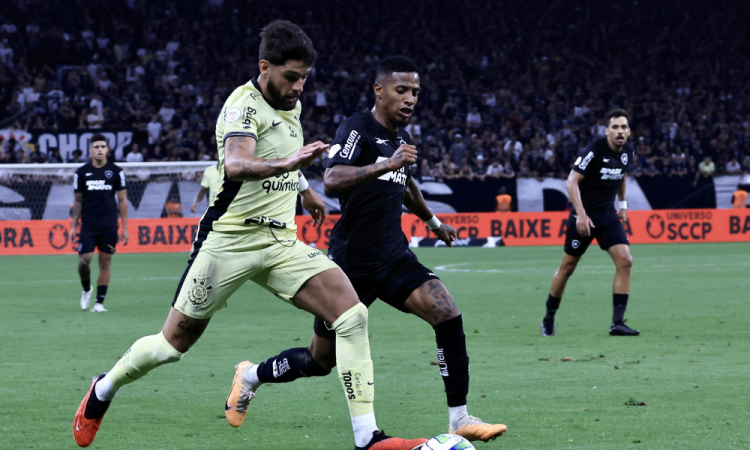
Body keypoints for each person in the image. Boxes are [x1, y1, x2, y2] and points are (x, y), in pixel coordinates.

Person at [72, 21, 425, 450]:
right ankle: (103, 389)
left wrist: (306, 189)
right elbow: (238, 165)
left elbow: (278, 156)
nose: (298, 87)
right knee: (172, 345)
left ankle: (367, 437)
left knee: (352, 315)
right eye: (291, 77)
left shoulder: (290, 105)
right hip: (229, 240)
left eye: (304, 79)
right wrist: (290, 164)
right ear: (264, 67)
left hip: (280, 242)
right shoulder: (242, 107)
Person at [244, 56, 507, 444]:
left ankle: (460, 417)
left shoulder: (399, 140)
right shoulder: (358, 128)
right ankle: (251, 375)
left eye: (415, 92)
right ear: (379, 90)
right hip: (351, 266)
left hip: (394, 257)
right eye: (402, 90)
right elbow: (332, 179)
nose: (410, 98)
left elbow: (406, 186)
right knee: (320, 361)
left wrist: (434, 222)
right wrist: (386, 163)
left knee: (448, 315)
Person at [541, 109, 639, 337]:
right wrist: (581, 215)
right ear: (607, 132)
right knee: (567, 268)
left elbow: (622, 174)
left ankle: (617, 324)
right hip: (583, 218)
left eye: (624, 127)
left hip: (607, 217)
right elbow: (571, 181)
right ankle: (548, 318)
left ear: (629, 131)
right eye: (615, 127)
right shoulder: (595, 150)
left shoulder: (627, 152)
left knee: (625, 261)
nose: (620, 131)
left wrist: (623, 205)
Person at [70, 134, 129, 313]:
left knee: (105, 263)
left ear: (107, 149)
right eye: (96, 146)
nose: (100, 149)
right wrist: (73, 225)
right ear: (91, 150)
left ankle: (99, 303)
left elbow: (123, 200)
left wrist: (125, 227)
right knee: (84, 260)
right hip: (88, 224)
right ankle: (87, 288)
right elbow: (78, 201)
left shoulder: (117, 172)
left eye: (103, 146)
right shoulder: (81, 173)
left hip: (110, 225)